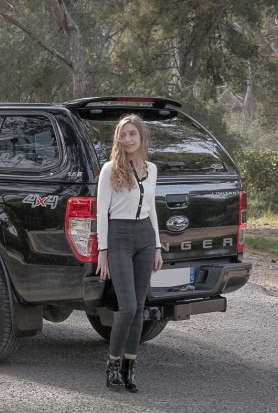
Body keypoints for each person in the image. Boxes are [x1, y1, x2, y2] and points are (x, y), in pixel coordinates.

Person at [95, 114, 163, 393]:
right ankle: (112, 365)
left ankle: (129, 367)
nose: (127, 139)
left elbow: (152, 208)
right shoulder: (110, 169)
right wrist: (103, 250)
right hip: (119, 237)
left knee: (140, 309)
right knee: (129, 306)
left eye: (132, 134)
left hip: (145, 237)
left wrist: (158, 245)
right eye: (123, 135)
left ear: (141, 137)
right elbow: (101, 212)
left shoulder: (152, 169)